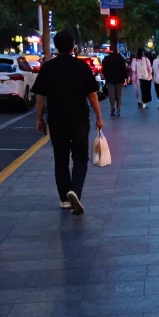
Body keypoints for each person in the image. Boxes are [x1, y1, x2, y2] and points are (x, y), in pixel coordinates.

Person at [33, 28, 102, 215]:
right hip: (79, 119)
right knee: (80, 158)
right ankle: (75, 191)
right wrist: (99, 116)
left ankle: (64, 199)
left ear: (56, 46)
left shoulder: (48, 67)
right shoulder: (81, 67)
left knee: (61, 159)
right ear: (73, 46)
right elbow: (92, 94)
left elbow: (40, 97)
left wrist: (39, 119)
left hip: (56, 120)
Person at [101, 47, 128, 118]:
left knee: (111, 94)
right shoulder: (120, 59)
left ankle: (112, 108)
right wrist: (125, 77)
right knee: (119, 95)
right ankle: (118, 108)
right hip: (119, 79)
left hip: (110, 79)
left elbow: (103, 68)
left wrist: (105, 75)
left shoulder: (106, 59)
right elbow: (124, 69)